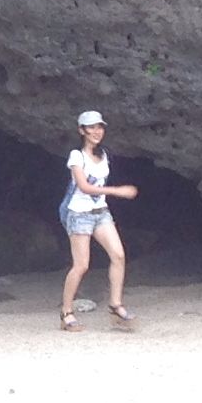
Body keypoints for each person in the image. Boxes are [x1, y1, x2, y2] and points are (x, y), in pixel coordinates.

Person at [58, 110, 139, 331]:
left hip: (100, 211)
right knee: (81, 265)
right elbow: (84, 186)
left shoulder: (104, 155)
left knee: (118, 255)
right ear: (81, 131)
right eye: (91, 127)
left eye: (100, 127)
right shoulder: (77, 156)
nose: (97, 131)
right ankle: (66, 312)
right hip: (79, 214)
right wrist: (117, 191)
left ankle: (115, 306)